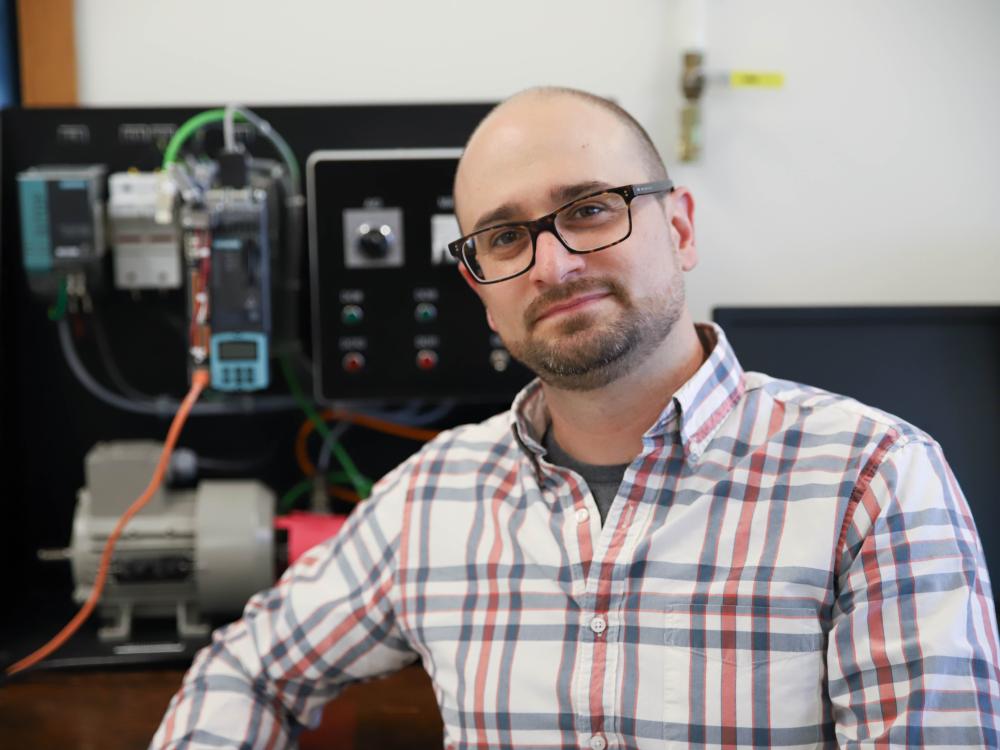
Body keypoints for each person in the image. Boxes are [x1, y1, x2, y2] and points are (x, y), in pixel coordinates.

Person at [152, 87, 1000, 749]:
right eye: (505, 237)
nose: (552, 264)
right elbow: (249, 671)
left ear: (681, 227)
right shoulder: (431, 499)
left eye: (591, 208)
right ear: (480, 290)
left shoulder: (873, 481)